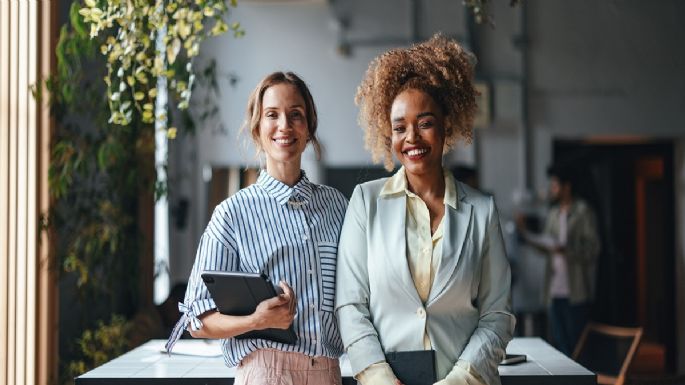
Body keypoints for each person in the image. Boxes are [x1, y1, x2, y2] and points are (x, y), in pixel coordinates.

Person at [336, 35, 515, 385]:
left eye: (425, 122)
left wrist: (459, 380)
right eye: (400, 127)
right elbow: (350, 306)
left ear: (446, 124)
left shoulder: (482, 211)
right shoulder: (364, 202)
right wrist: (379, 378)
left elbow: (498, 314)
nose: (412, 138)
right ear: (388, 134)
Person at [165, 72, 348, 385]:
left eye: (296, 115)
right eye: (272, 115)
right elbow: (197, 320)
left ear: (309, 128)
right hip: (266, 373)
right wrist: (257, 320)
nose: (284, 126)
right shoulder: (232, 214)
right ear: (257, 129)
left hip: (329, 373)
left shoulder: (337, 206)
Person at [516, 165, 600, 356]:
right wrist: (527, 235)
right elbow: (547, 247)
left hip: (576, 291)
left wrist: (567, 250)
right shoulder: (554, 214)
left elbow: (593, 249)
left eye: (554, 185)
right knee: (560, 345)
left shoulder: (583, 211)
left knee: (577, 346)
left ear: (566, 187)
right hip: (553, 290)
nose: (551, 189)